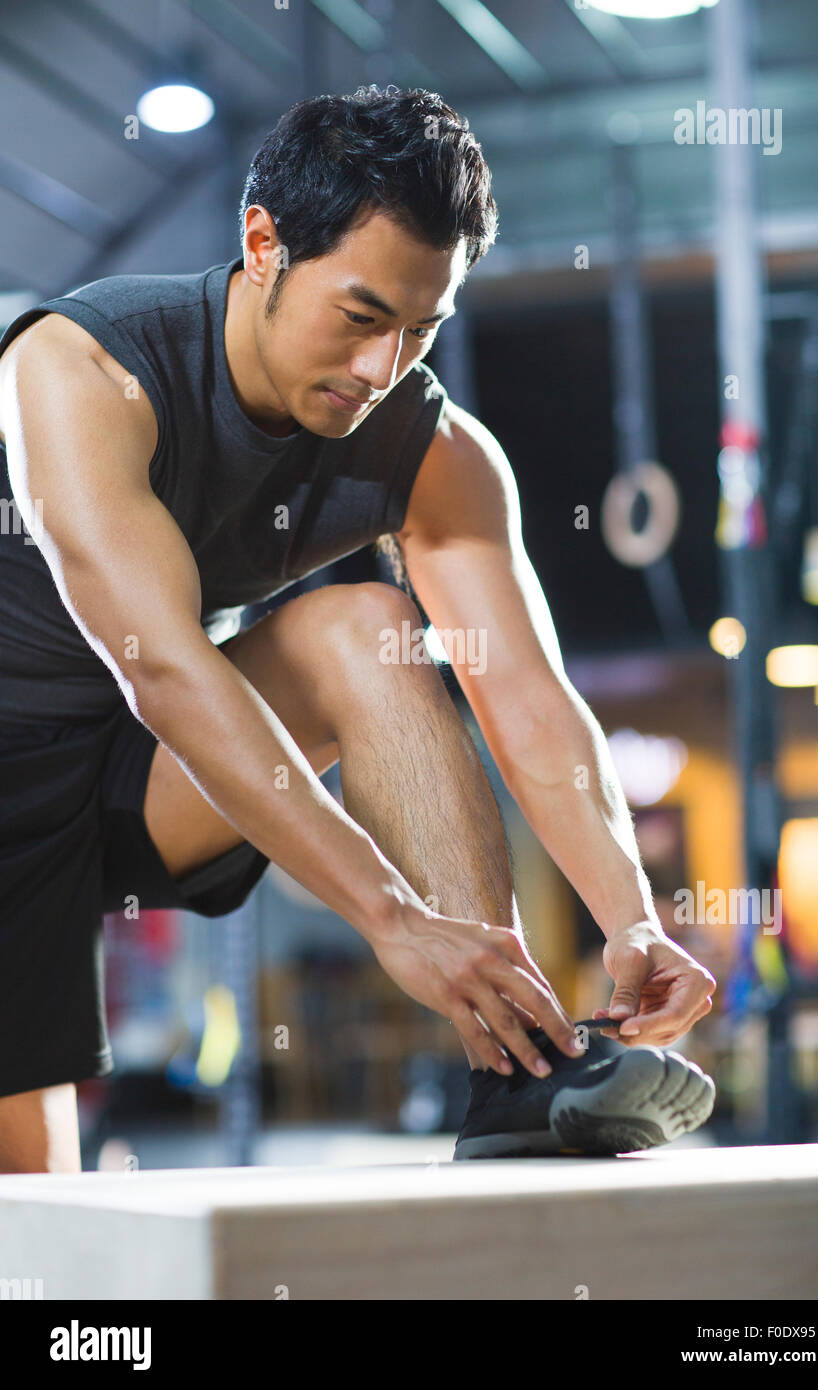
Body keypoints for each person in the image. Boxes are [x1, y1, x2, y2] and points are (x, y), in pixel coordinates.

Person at [0, 85, 715, 1173]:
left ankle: (513, 1065)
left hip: (131, 781)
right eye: (363, 316)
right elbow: (165, 669)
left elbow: (524, 696)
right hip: (53, 757)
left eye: (422, 329)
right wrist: (390, 915)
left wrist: (629, 920)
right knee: (30, 1208)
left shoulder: (434, 451)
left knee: (364, 632)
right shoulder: (82, 368)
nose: (385, 369)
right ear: (263, 243)